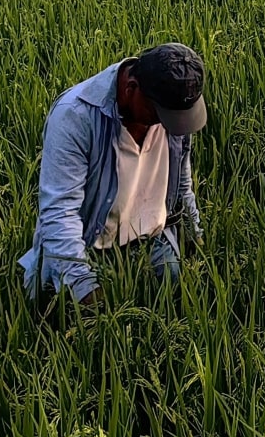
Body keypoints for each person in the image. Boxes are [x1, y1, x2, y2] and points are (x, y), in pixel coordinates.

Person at [19, 43, 208, 305]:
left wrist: (193, 233)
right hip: (90, 245)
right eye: (159, 114)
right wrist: (83, 286)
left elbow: (182, 184)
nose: (168, 125)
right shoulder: (76, 117)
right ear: (131, 89)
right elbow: (59, 211)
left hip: (152, 241)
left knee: (176, 306)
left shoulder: (172, 109)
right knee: (80, 327)